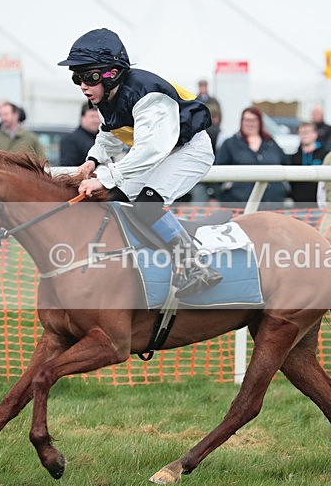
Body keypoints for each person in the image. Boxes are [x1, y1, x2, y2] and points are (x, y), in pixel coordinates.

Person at [58, 28, 221, 297]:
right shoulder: (106, 97)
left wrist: (105, 177)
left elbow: (150, 150)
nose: (83, 85)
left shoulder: (147, 95)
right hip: (160, 153)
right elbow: (109, 135)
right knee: (112, 199)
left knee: (146, 204)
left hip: (189, 150)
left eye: (90, 77)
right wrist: (92, 161)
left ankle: (196, 267)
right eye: (77, 78)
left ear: (113, 74)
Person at [216, 106, 288, 209]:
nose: (250, 123)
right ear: (242, 121)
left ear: (259, 122)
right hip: (239, 204)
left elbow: (285, 164)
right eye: (247, 120)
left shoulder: (271, 143)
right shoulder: (230, 144)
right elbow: (220, 171)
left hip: (272, 203)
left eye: (253, 120)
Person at [288, 121, 328, 206]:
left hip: (319, 204)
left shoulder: (325, 155)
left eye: (307, 132)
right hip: (298, 204)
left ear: (315, 134)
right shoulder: (293, 157)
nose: (304, 135)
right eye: (301, 132)